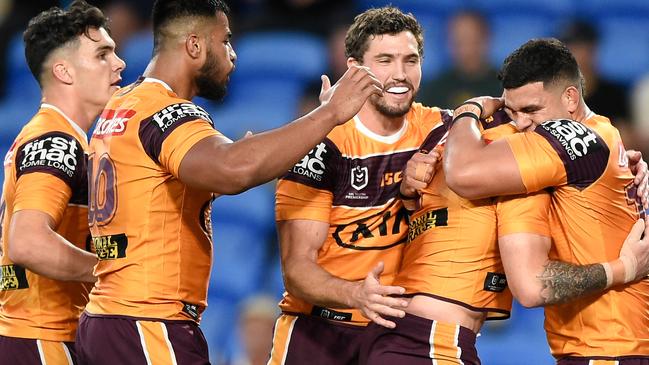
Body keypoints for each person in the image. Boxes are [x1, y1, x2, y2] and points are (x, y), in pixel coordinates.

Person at [73, 0, 382, 364]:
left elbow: (153, 191)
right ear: (194, 46)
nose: (233, 55)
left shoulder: (121, 106)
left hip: (108, 319)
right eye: (225, 41)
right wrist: (330, 113)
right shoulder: (164, 111)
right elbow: (236, 169)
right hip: (148, 322)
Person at [444, 38, 649, 362]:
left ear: (570, 98)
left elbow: (462, 173)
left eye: (531, 109)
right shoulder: (601, 133)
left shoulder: (575, 140)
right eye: (513, 112)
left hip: (610, 350)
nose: (522, 123)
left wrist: (467, 110)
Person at [271, 7, 451, 364]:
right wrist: (357, 295)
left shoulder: (442, 131)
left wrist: (475, 109)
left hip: (399, 334)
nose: (400, 74)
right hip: (319, 331)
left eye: (410, 60)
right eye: (385, 60)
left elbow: (505, 116)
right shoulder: (319, 144)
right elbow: (297, 270)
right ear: (354, 69)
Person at [0, 1, 125, 364]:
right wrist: (112, 272)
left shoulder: (51, 135)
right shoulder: (57, 140)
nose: (119, 64)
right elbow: (27, 242)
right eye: (103, 54)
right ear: (64, 72)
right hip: (42, 339)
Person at [417, 10, 501, 109]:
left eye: (472, 40)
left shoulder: (505, 88)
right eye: (458, 42)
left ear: (486, 39)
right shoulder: (434, 90)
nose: (466, 49)